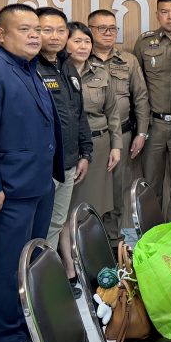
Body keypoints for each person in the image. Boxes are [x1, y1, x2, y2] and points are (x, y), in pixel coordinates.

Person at [0, 4, 63, 342]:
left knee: (29, 262)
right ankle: (6, 338)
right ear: (1, 34)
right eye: (24, 29)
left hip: (38, 184)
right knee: (8, 265)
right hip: (8, 190)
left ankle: (25, 327)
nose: (34, 36)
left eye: (37, 29)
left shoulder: (29, 68)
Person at [35, 8, 91, 297]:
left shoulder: (66, 66)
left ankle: (50, 282)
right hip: (44, 165)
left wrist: (85, 152)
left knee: (57, 223)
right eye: (47, 30)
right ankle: (39, 287)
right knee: (39, 227)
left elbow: (78, 114)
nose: (54, 37)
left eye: (60, 31)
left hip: (69, 161)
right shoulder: (31, 68)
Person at [88, 9, 151, 240]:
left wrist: (141, 133)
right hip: (92, 137)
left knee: (118, 189)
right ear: (89, 31)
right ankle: (89, 242)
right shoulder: (79, 58)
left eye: (112, 28)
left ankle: (114, 242)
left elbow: (141, 98)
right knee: (91, 191)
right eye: (102, 28)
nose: (108, 33)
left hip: (123, 135)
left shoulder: (128, 60)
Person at [133, 0, 171, 223]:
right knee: (150, 184)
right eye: (165, 12)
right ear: (157, 15)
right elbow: (137, 87)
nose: (170, 16)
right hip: (154, 124)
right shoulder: (144, 43)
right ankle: (153, 233)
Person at [68, 22, 121, 248]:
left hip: (99, 146)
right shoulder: (58, 72)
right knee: (68, 208)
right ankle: (69, 254)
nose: (83, 46)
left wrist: (116, 146)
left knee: (96, 205)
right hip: (70, 147)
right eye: (77, 41)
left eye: (87, 42)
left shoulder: (100, 72)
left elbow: (112, 112)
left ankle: (92, 253)